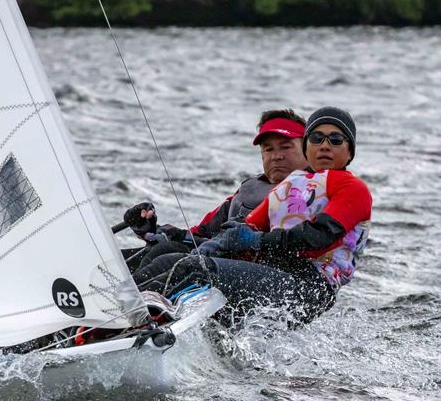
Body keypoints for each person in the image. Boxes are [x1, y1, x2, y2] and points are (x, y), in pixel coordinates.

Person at [132, 107, 372, 326]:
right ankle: (117, 310)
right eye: (317, 138)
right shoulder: (288, 186)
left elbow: (317, 239)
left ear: (350, 151)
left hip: (309, 287)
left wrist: (255, 241)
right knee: (173, 260)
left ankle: (138, 317)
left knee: (197, 269)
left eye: (336, 139)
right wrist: (189, 241)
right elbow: (237, 232)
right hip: (273, 272)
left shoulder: (353, 188)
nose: (325, 145)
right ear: (308, 146)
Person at [122, 108, 308, 271]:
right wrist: (152, 231)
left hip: (267, 278)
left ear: (307, 149)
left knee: (172, 261)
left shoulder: (317, 190)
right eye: (268, 149)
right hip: (220, 267)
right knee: (158, 250)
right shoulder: (247, 192)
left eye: (286, 147)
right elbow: (197, 235)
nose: (276, 156)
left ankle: (136, 304)